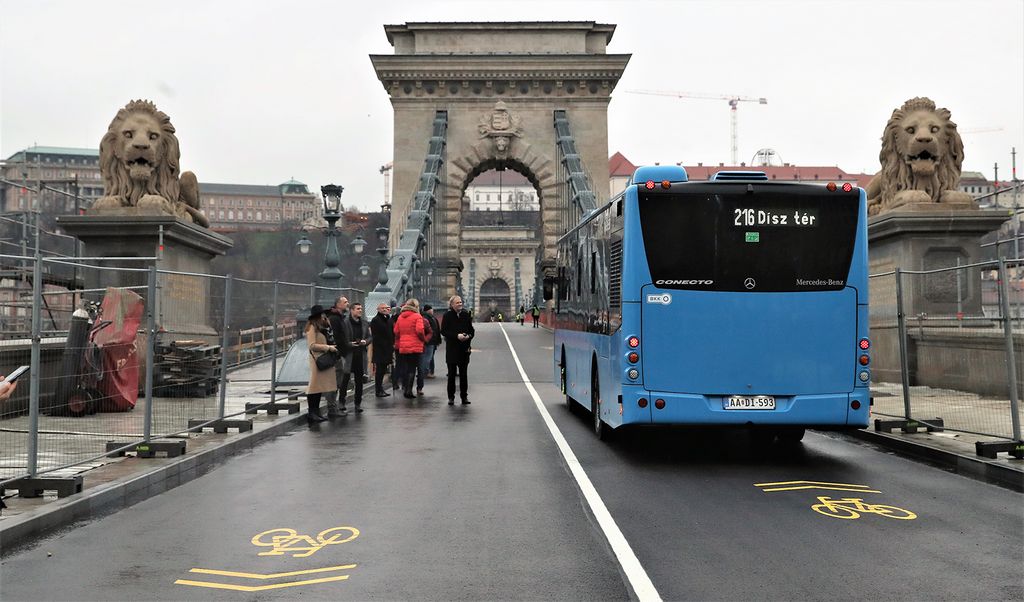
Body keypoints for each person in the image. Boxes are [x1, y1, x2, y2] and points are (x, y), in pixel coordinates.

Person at [304, 304, 338, 423]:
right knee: (314, 387)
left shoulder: (320, 326)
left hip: (321, 358)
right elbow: (312, 345)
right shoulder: (312, 328)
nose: (324, 316)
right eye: (322, 314)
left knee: (319, 388)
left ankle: (316, 412)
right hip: (317, 360)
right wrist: (328, 347)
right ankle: (312, 412)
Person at [441, 295, 474, 405]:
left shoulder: (465, 315)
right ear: (452, 305)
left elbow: (471, 330)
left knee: (464, 375)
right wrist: (456, 336)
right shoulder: (447, 316)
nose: (460, 304)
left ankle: (464, 397)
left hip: (464, 350)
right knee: (451, 375)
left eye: (461, 302)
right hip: (452, 350)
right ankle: (451, 397)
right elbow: (444, 331)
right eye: (457, 303)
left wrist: (468, 336)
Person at [338, 302, 370, 412]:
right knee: (345, 379)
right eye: (357, 308)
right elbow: (341, 339)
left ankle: (358, 404)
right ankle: (341, 402)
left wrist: (365, 341)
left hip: (360, 355)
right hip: (349, 355)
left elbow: (370, 337)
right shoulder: (345, 323)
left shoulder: (365, 323)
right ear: (351, 310)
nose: (360, 310)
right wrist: (350, 344)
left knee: (359, 380)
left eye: (361, 308)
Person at [393, 298, 426, 399]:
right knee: (412, 369)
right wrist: (423, 339)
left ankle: (405, 388)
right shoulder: (417, 316)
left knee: (406, 368)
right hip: (415, 346)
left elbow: (396, 331)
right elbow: (420, 330)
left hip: (403, 346)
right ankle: (409, 391)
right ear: (416, 306)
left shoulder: (400, 317)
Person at [325, 296, 349, 417]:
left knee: (337, 382)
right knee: (334, 382)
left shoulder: (339, 318)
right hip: (335, 354)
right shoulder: (334, 319)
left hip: (339, 353)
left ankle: (333, 407)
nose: (347, 304)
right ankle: (332, 409)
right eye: (345, 302)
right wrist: (340, 350)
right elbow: (333, 337)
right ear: (338, 304)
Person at [369, 303, 394, 397]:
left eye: (386, 308)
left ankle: (380, 389)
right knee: (380, 371)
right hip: (380, 349)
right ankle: (378, 390)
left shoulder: (388, 319)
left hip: (387, 349)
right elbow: (376, 336)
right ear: (378, 309)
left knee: (383, 370)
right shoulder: (376, 320)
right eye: (382, 308)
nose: (384, 309)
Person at [416, 304, 440, 395]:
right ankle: (425, 372)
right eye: (431, 309)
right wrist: (426, 339)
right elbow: (430, 331)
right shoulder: (425, 319)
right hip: (428, 342)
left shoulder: (429, 317)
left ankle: (426, 372)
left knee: (428, 358)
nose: (432, 310)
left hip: (429, 341)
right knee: (427, 358)